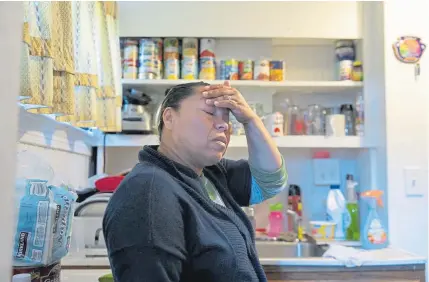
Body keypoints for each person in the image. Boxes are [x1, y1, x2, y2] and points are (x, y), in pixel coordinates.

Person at [103, 81, 288, 282]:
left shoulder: (211, 174)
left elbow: (270, 181)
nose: (224, 124)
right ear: (169, 117)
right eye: (210, 113)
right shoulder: (148, 193)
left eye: (228, 118)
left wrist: (250, 120)